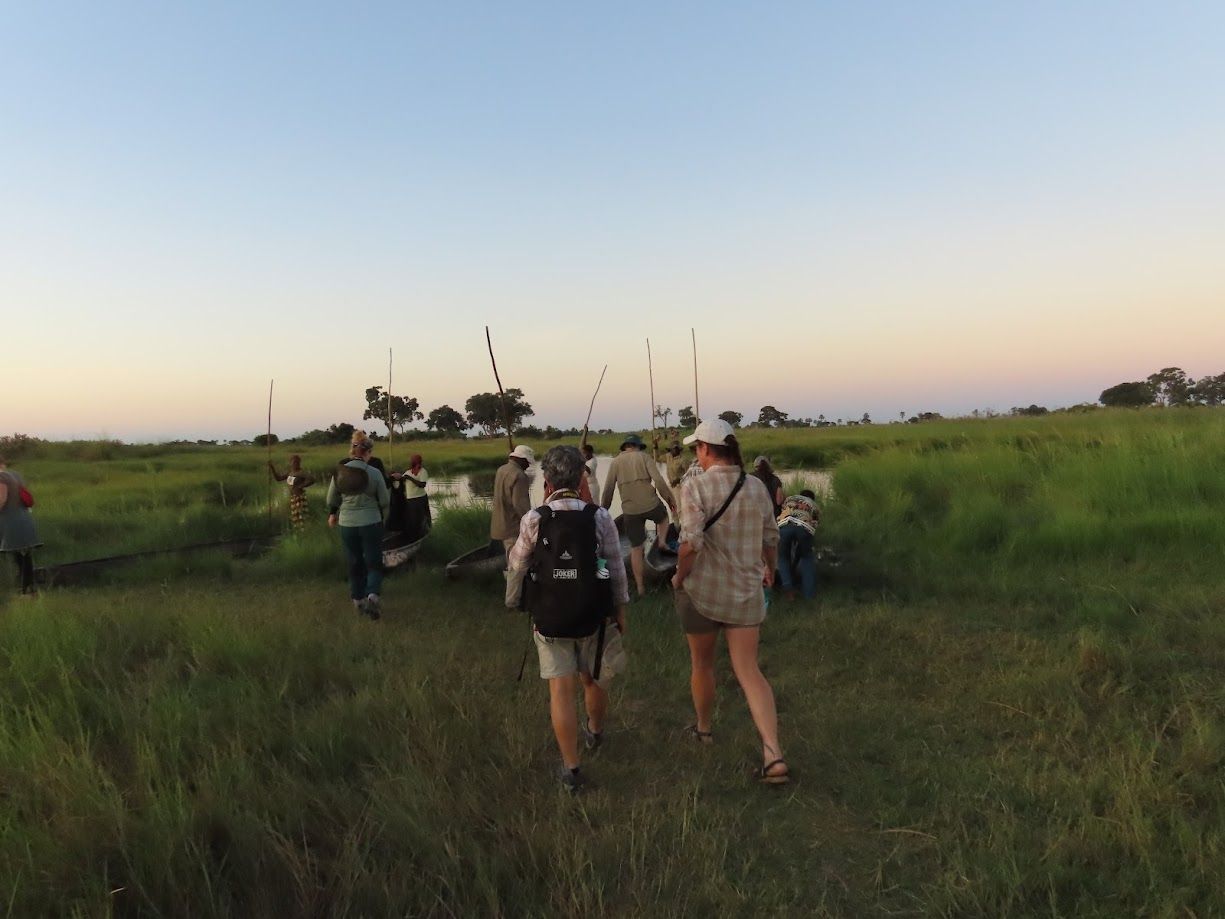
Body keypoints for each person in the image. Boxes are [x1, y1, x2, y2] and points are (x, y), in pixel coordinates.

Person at [671, 419, 788, 785]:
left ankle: (704, 730)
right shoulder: (756, 487)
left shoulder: (693, 488)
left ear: (706, 449)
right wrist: (770, 570)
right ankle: (773, 754)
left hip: (703, 594)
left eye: (697, 449)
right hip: (745, 596)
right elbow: (772, 538)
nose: (696, 455)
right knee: (749, 671)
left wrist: (678, 575)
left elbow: (690, 542)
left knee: (702, 665)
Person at [506, 446, 629, 792]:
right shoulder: (600, 516)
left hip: (549, 617)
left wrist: (515, 600)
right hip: (594, 615)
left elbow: (517, 565)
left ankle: (572, 770)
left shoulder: (534, 518)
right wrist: (619, 609)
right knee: (592, 679)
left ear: (546, 479)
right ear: (580, 477)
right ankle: (594, 730)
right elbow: (614, 568)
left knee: (560, 691)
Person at [600, 434, 676, 597]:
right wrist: (669, 499)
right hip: (651, 504)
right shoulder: (644, 457)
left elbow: (608, 490)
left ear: (625, 447)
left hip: (630, 510)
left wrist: (603, 510)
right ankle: (662, 542)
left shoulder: (615, 462)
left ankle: (640, 588)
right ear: (638, 446)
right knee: (663, 518)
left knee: (636, 548)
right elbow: (659, 481)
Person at [326, 432, 390, 619]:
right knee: (373, 561)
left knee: (354, 561)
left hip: (347, 523)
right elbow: (385, 501)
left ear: (352, 450)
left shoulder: (340, 471)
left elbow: (331, 499)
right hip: (370, 521)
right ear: (368, 452)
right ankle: (372, 595)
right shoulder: (375, 472)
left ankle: (358, 600)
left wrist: (337, 511)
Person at [0, 457, 41, 598]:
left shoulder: (1, 477)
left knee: (18, 558)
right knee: (24, 557)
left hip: (12, 523)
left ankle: (24, 592)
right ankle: (29, 590)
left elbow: (1, 500)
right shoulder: (15, 475)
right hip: (23, 520)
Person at [777, 489, 820, 601]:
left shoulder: (790, 499)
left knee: (782, 557)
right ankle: (808, 594)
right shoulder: (814, 505)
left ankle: (788, 590)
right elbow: (814, 525)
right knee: (807, 558)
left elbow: (781, 510)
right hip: (805, 527)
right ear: (812, 498)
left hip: (784, 526)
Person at [491, 445, 534, 556]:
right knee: (515, 565)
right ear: (521, 459)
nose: (528, 466)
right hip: (512, 528)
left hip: (498, 526)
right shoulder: (520, 476)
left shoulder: (501, 469)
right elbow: (520, 505)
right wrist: (532, 524)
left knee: (508, 556)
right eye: (527, 462)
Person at [268, 454, 316, 531]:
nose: (295, 464)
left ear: (299, 463)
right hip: (293, 497)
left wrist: (301, 486)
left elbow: (312, 479)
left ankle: (305, 532)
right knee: (296, 517)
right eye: (293, 462)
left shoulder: (301, 472)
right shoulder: (290, 473)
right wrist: (272, 468)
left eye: (297, 462)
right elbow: (278, 478)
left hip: (300, 497)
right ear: (290, 463)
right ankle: (299, 532)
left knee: (301, 516)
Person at [391, 453, 431, 539]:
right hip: (410, 500)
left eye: (413, 460)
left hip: (420, 498)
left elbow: (422, 484)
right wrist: (394, 476)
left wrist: (410, 478)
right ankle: (414, 536)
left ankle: (424, 534)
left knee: (421, 518)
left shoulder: (423, 471)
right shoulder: (408, 472)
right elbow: (402, 479)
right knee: (412, 519)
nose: (411, 462)